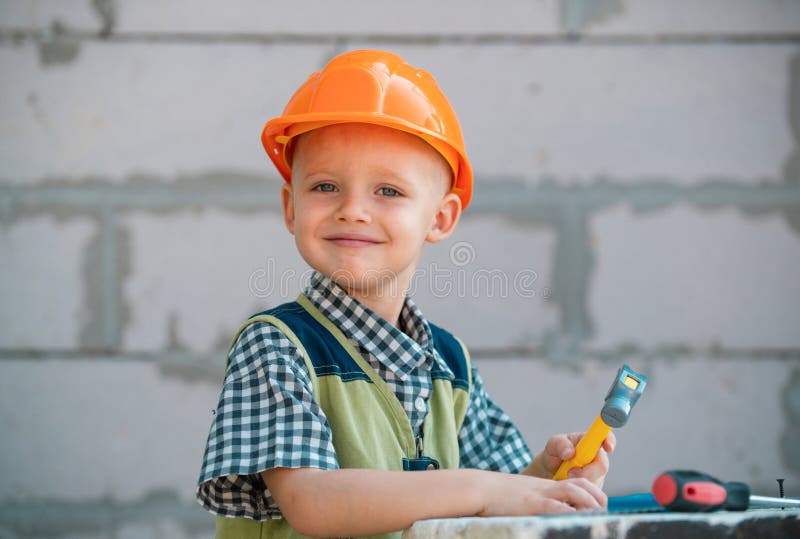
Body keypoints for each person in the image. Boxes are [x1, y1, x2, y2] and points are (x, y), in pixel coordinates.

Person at [196, 49, 615, 539]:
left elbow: (495, 505)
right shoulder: (276, 347)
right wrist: (484, 490)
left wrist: (546, 479)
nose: (352, 210)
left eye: (388, 191)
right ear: (291, 207)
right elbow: (313, 502)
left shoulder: (451, 366)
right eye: (326, 186)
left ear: (440, 218)